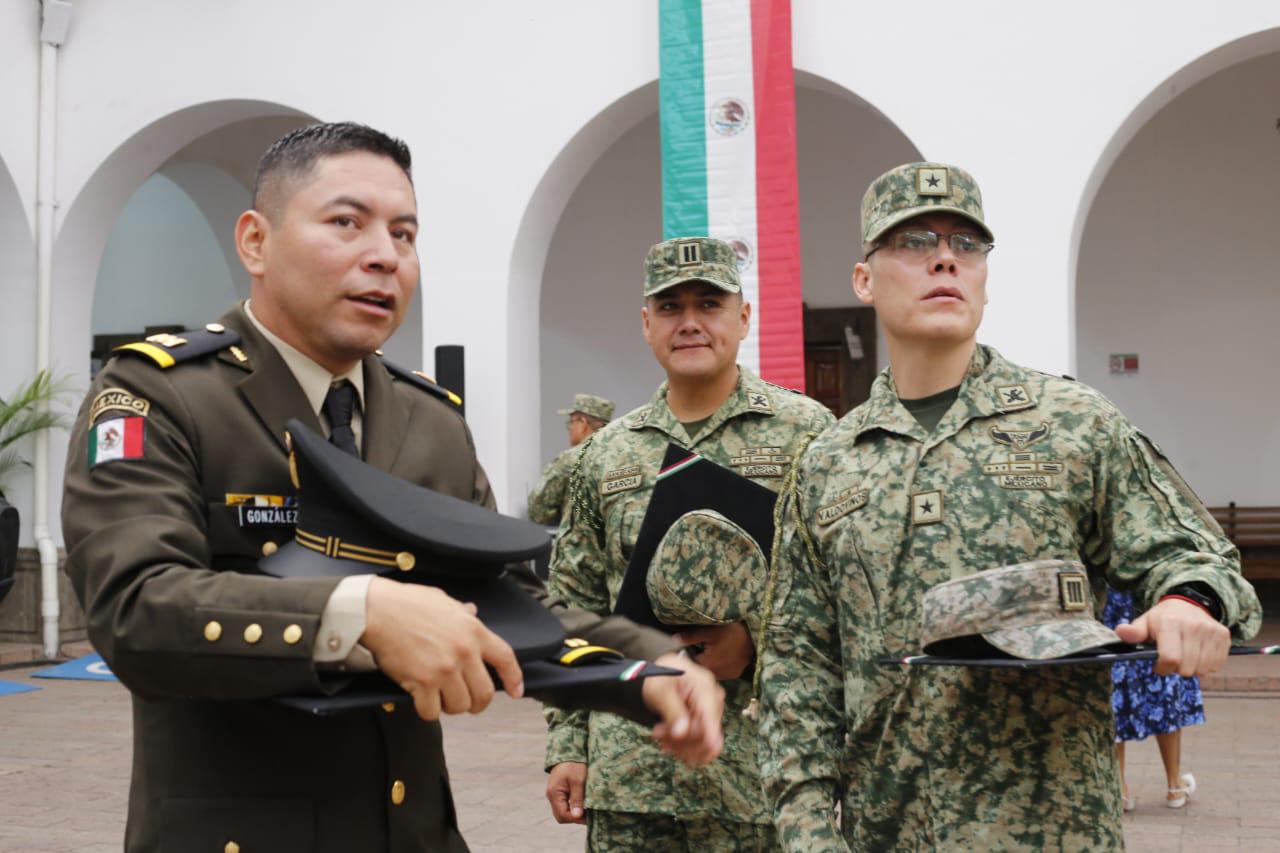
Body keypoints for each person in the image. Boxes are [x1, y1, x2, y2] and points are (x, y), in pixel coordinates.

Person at [61, 122, 725, 853]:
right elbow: (135, 607)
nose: (385, 255)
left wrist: (645, 666)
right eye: (346, 223)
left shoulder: (427, 419)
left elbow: (509, 607)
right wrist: (362, 612)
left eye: (404, 234)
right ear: (255, 241)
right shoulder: (163, 395)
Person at [756, 161, 1261, 850]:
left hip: (1053, 830)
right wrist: (809, 835)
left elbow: (1194, 552)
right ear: (864, 279)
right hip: (891, 831)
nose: (945, 258)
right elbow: (797, 671)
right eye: (914, 241)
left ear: (984, 278)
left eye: (966, 243)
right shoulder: (827, 464)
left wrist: (1191, 600)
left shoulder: (1072, 422)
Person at [544, 237, 834, 849]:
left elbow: (841, 595)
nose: (691, 322)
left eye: (710, 303)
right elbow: (571, 605)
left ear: (744, 317)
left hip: (761, 771)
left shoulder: (808, 435)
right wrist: (569, 746)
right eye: (671, 307)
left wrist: (753, 646)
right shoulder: (606, 453)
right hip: (631, 773)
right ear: (648, 323)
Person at [1104, 589, 1204, 810]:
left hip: (1111, 608)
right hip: (1152, 601)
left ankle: (1119, 788)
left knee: (1113, 696)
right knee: (1165, 689)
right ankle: (1175, 786)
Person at [528, 393, 615, 526]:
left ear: (583, 423)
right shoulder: (622, 456)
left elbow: (538, 511)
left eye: (571, 422)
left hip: (579, 544)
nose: (570, 429)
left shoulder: (569, 459)